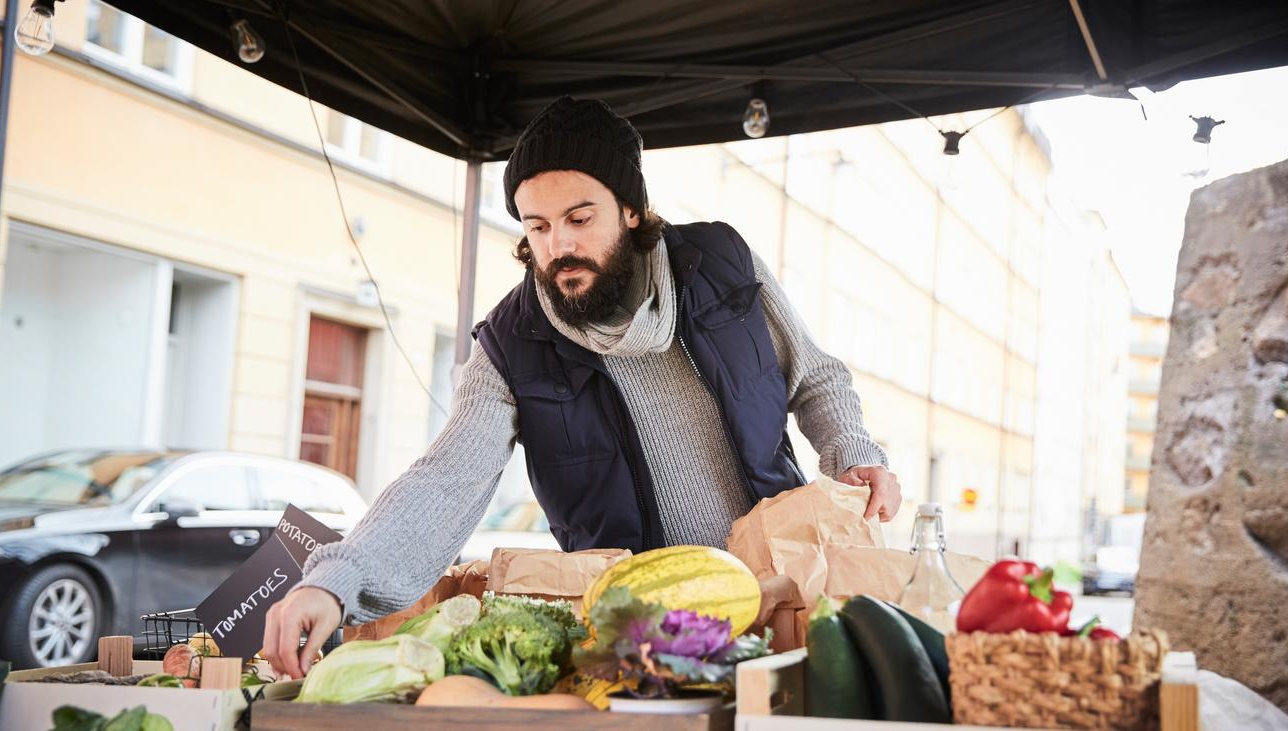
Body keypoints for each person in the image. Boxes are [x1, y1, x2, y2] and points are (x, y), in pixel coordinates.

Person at [262, 96, 901, 678]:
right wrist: (335, 580)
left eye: (579, 217)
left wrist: (852, 449)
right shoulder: (510, 345)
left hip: (778, 597)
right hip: (637, 641)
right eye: (537, 226)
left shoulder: (723, 264)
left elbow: (815, 376)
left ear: (631, 209)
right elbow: (447, 478)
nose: (559, 245)